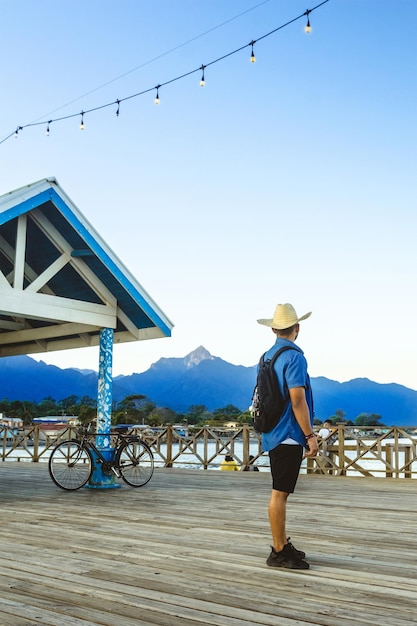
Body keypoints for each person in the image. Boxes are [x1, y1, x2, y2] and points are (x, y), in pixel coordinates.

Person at [256, 302, 318, 570]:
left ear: (273, 328)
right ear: (297, 328)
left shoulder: (267, 357)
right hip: (290, 432)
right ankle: (278, 551)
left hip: (272, 431)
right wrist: (310, 435)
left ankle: (282, 543)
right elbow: (297, 400)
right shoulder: (294, 357)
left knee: (280, 491)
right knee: (279, 493)